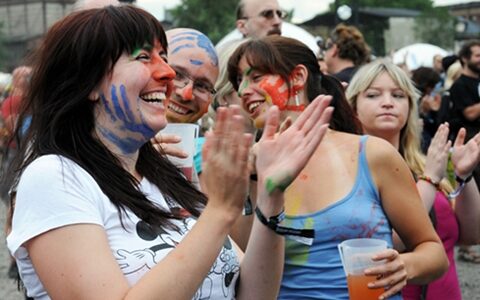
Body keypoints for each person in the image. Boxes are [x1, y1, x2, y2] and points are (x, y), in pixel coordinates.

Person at [5, 6, 334, 299]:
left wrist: (271, 196)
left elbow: (254, 294)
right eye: (144, 57)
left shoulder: (168, 177)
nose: (167, 75)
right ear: (88, 83)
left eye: (163, 57)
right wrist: (220, 211)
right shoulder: (54, 177)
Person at [227, 36, 448, 300]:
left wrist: (404, 266)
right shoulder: (244, 167)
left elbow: (433, 252)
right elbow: (242, 270)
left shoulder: (371, 154)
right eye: (239, 81)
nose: (242, 91)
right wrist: (252, 178)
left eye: (256, 76)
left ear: (297, 77)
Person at [346, 59, 480, 300]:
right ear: (353, 107)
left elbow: (471, 235)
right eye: (374, 95)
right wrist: (429, 181)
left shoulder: (426, 164)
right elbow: (380, 247)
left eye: (398, 95)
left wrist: (463, 175)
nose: (387, 103)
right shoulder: (347, 171)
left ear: (410, 107)